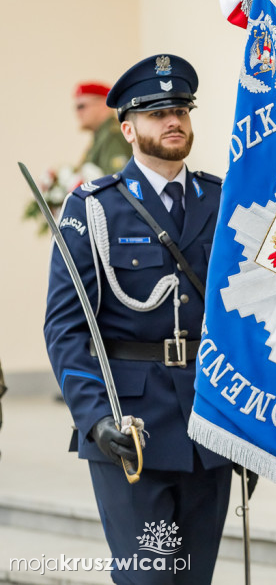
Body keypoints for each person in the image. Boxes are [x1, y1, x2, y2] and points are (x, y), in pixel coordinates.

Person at [44, 55, 239, 583]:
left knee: (195, 577)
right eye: (157, 113)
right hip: (130, 424)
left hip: (209, 420)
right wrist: (95, 417)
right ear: (128, 129)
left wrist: (252, 427)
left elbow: (244, 316)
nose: (173, 120)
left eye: (180, 109)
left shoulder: (222, 201)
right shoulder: (94, 208)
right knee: (148, 577)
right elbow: (66, 327)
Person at [73, 81, 132, 174]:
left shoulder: (113, 135)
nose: (77, 113)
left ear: (103, 104)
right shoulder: (100, 135)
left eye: (81, 106)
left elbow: (116, 180)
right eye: (75, 108)